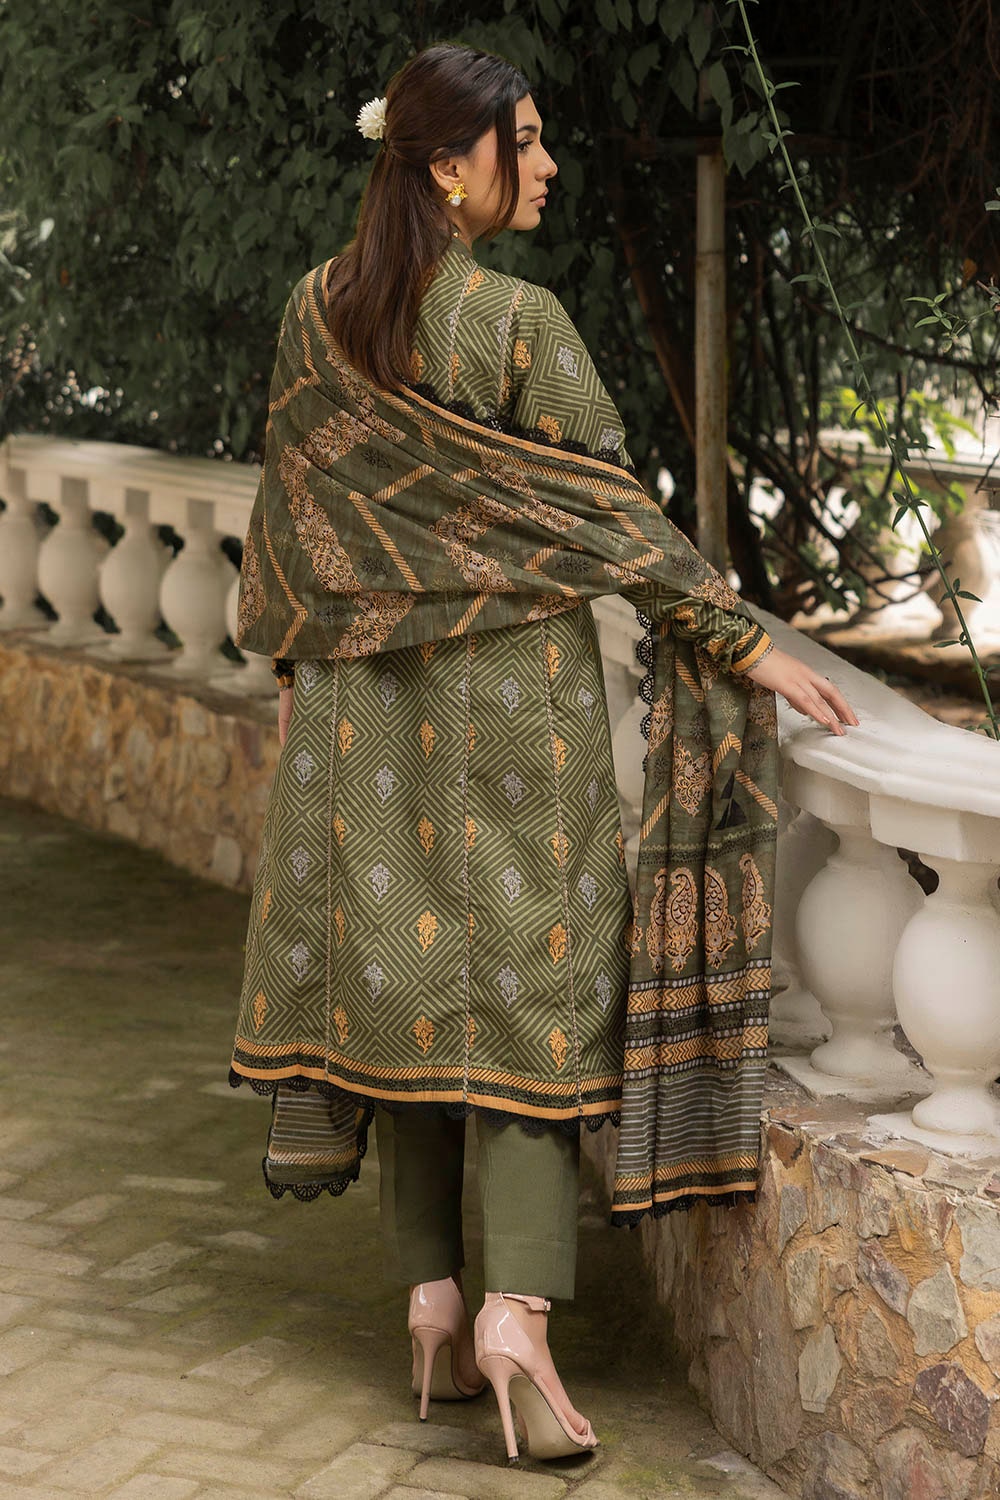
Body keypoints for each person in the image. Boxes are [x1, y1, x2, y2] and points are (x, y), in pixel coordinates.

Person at [229, 42, 857, 1466]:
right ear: (449, 167)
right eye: (523, 140)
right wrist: (742, 642)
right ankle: (519, 1314)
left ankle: (433, 1304)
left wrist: (295, 676)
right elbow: (608, 521)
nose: (549, 163)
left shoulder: (313, 312)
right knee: (528, 996)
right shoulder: (520, 325)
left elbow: (290, 531)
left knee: (401, 991)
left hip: (362, 709)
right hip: (513, 708)